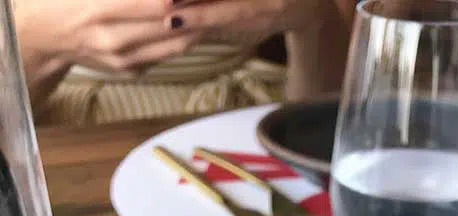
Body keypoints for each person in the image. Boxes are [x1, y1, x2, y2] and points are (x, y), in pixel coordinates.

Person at [14, 0, 355, 124]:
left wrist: (314, 16)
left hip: (243, 123)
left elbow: (332, 118)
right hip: (51, 142)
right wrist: (31, 43)